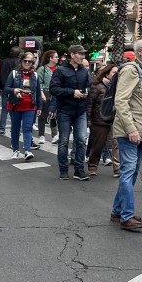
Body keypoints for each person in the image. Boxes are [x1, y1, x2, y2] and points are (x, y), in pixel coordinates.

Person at [111, 38, 142, 230]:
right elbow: (121, 101)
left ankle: (118, 211)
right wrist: (131, 129)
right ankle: (126, 216)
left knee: (130, 173)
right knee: (128, 172)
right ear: (140, 52)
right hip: (129, 131)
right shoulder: (131, 70)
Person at [50, 44, 92, 181]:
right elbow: (54, 89)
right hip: (64, 111)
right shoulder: (60, 70)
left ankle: (79, 169)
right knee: (63, 140)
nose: (83, 57)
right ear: (72, 54)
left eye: (84, 54)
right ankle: (63, 169)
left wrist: (86, 92)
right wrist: (71, 92)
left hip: (80, 110)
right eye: (81, 54)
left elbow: (89, 86)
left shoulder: (85, 71)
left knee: (81, 139)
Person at [4, 51, 42, 161]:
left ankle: (27, 150)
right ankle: (15, 150)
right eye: (25, 61)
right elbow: (6, 89)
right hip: (15, 105)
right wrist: (14, 90)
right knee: (15, 129)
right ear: (21, 61)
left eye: (29, 61)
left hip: (30, 106)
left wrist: (39, 107)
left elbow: (38, 92)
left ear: (32, 63)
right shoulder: (14, 74)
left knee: (27, 128)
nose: (27, 63)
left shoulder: (35, 75)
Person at [86, 63, 118, 177]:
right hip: (99, 120)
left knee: (115, 145)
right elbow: (90, 103)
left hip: (113, 120)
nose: (116, 75)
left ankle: (117, 169)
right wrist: (88, 118)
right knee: (97, 145)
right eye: (114, 72)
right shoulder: (97, 86)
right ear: (107, 73)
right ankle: (92, 166)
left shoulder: (118, 86)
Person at [35, 49, 59, 145]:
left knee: (53, 115)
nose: (58, 58)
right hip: (45, 92)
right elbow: (39, 82)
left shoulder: (59, 69)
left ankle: (54, 135)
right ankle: (41, 135)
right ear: (50, 58)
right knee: (43, 115)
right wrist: (41, 93)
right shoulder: (42, 69)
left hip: (56, 93)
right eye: (56, 57)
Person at [0, 46, 20, 135]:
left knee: (4, 109)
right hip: (15, 88)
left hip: (5, 88)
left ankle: (2, 128)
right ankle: (15, 128)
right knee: (16, 109)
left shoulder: (4, 62)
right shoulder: (19, 63)